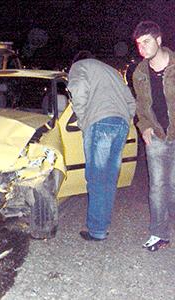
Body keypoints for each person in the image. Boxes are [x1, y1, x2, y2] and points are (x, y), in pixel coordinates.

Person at [68, 50, 136, 241]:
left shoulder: (79, 67)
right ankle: (102, 226)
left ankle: (97, 230)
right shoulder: (112, 71)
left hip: (100, 122)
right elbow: (131, 101)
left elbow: (79, 89)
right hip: (121, 123)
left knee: (97, 178)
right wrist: (125, 119)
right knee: (109, 179)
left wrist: (83, 120)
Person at [132, 21, 175, 251]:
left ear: (159, 40)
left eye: (146, 42)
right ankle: (160, 234)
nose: (142, 48)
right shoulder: (139, 72)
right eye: (139, 44)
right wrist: (144, 125)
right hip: (157, 136)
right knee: (157, 186)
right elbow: (141, 105)